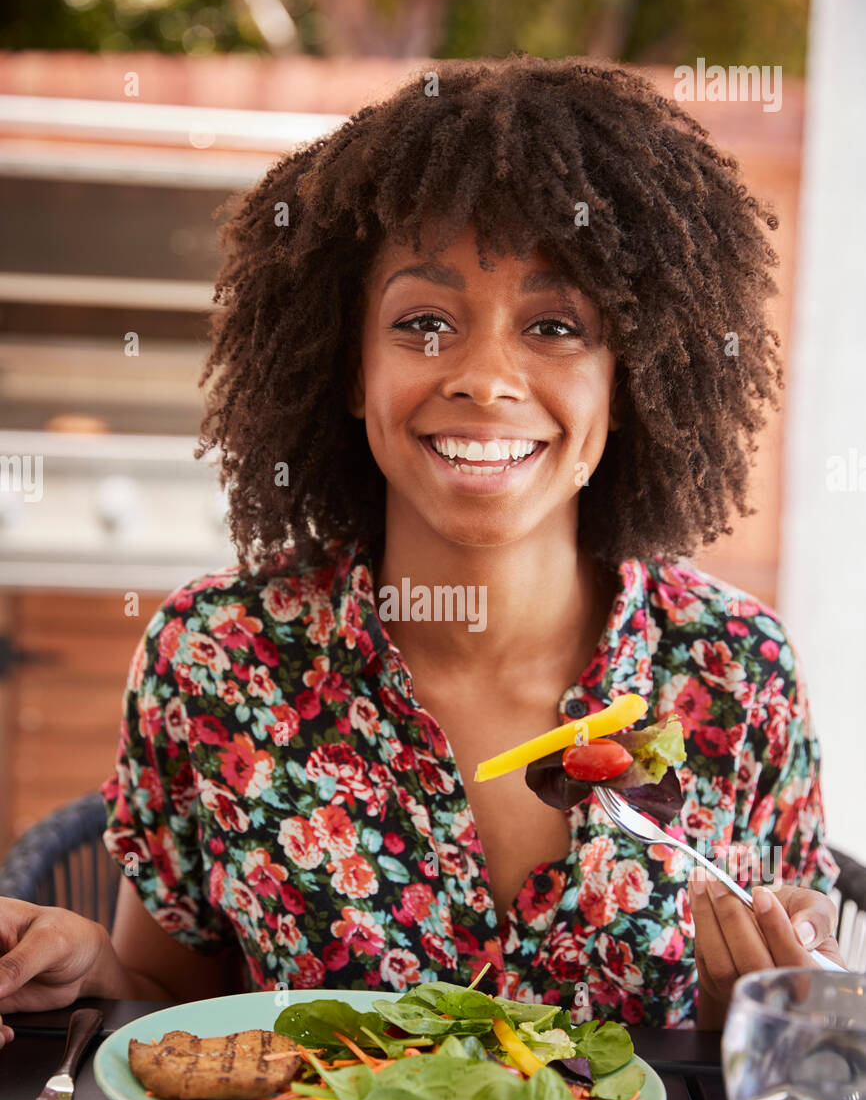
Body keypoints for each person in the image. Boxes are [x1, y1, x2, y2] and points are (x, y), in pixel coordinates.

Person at [0, 56, 844, 1045]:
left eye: (554, 324)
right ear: (350, 369)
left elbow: (801, 1049)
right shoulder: (216, 656)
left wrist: (750, 1015)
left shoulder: (735, 669)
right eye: (424, 322)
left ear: (626, 384)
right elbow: (167, 997)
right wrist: (78, 967)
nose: (485, 377)